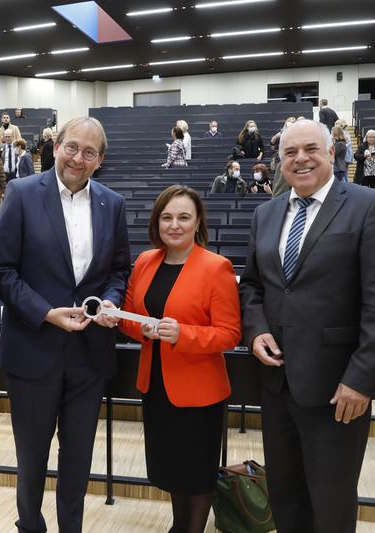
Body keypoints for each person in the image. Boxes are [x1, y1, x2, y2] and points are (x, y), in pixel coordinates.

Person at [239, 119, 375, 533]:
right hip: (277, 384)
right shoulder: (266, 212)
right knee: (286, 494)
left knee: (331, 502)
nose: (301, 159)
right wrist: (256, 330)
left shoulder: (370, 205)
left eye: (311, 149)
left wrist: (362, 380)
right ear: (279, 161)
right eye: (290, 153)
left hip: (337, 389)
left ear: (332, 153)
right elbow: (253, 286)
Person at [0, 116, 130, 533]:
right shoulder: (23, 192)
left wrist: (110, 301)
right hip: (34, 349)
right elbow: (0, 270)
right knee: (31, 458)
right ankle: (30, 525)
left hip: (88, 356)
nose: (78, 158)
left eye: (89, 152)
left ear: (100, 159)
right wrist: (46, 312)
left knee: (77, 458)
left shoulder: (112, 203)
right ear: (55, 146)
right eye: (71, 147)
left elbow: (120, 271)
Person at [119, 185, 241, 533]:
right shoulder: (145, 262)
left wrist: (183, 334)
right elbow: (132, 318)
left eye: (183, 217)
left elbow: (230, 333)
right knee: (172, 469)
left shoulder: (216, 267)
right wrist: (128, 322)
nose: (174, 225)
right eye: (167, 217)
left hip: (199, 391)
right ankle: (178, 527)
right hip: (156, 386)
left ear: (198, 221)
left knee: (197, 474)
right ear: (156, 222)